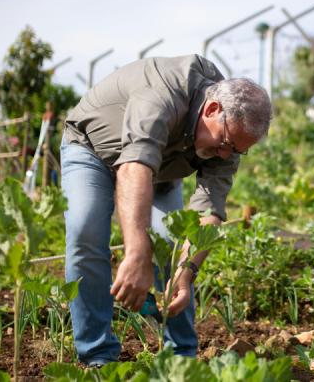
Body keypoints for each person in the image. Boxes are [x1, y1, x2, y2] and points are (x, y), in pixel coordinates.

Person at [60, 55, 272, 365]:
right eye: (225, 142)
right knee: (86, 230)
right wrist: (136, 254)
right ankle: (98, 356)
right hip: (93, 149)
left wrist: (186, 276)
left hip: (160, 170)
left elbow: (208, 213)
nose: (226, 154)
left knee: (171, 247)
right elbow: (134, 168)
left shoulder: (228, 141)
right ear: (212, 110)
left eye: (237, 150)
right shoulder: (162, 92)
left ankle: (181, 358)